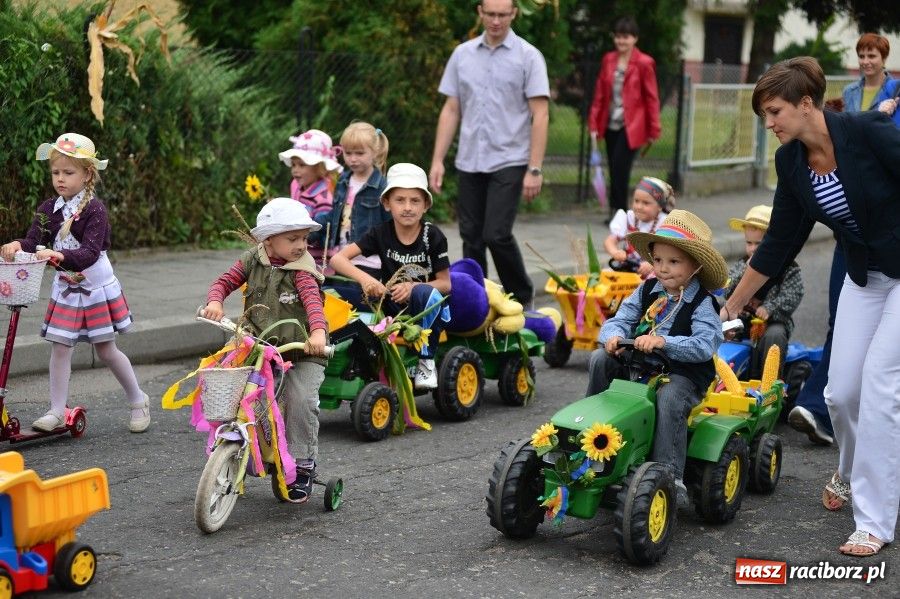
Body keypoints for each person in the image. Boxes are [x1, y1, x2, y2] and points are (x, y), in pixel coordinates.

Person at [723, 57, 900, 557]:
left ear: (806, 104)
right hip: (866, 279)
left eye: (775, 111)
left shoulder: (868, 132)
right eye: (764, 115)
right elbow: (779, 241)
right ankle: (850, 470)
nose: (770, 123)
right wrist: (733, 301)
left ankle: (874, 520)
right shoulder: (792, 162)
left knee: (882, 383)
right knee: (842, 394)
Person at [0, 133, 149, 433]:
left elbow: (89, 253)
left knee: (106, 349)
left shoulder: (95, 210)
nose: (60, 179)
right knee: (60, 347)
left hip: (95, 287)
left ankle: (138, 399)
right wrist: (18, 244)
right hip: (68, 288)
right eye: (56, 172)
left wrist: (59, 255)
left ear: (87, 174)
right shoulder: (47, 210)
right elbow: (33, 242)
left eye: (68, 173)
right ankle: (57, 409)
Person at [586, 210, 726, 508]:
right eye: (658, 260)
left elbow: (705, 344)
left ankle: (670, 475)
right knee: (600, 360)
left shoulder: (702, 303)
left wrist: (664, 341)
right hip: (640, 365)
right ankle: (593, 439)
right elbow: (620, 319)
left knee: (669, 396)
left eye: (674, 262)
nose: (663, 268)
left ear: (695, 265)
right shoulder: (648, 288)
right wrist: (612, 337)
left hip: (683, 374)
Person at [203, 198, 328, 504]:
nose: (301, 245)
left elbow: (313, 304)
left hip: (301, 350)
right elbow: (224, 282)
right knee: (236, 391)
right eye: (293, 238)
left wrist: (318, 333)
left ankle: (302, 463)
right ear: (269, 240)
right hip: (260, 347)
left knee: (300, 399)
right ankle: (236, 450)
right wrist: (215, 302)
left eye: (304, 238)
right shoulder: (252, 260)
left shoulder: (302, 271)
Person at [429, 0, 549, 308]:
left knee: (496, 233)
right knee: (471, 237)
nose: (496, 21)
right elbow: (451, 109)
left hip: (510, 158)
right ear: (480, 12)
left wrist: (534, 168)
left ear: (513, 14)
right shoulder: (462, 55)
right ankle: (478, 302)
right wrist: (438, 160)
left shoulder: (528, 56)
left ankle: (521, 297)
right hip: (470, 158)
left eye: (502, 15)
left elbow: (540, 113)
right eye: (490, 14)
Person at [330, 164, 451, 390]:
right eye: (400, 200)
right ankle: (334, 356)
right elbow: (337, 260)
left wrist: (414, 287)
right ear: (387, 203)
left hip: (425, 312)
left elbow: (445, 284)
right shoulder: (381, 232)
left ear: (425, 205)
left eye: (415, 201)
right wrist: (366, 280)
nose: (407, 207)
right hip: (391, 306)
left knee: (426, 292)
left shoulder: (432, 236)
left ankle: (426, 361)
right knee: (333, 291)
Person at [588, 16, 661, 224]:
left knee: (620, 167)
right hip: (610, 123)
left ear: (635, 39)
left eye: (626, 37)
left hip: (632, 126)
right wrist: (593, 122)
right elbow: (600, 94)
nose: (621, 41)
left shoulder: (645, 63)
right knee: (613, 167)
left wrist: (654, 129)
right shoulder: (608, 60)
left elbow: (651, 97)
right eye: (618, 37)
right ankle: (615, 212)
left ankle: (620, 215)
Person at [314, 122, 391, 303]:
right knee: (340, 306)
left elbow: (389, 226)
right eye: (348, 153)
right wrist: (311, 225)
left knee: (364, 308)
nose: (353, 159)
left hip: (369, 262)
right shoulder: (343, 181)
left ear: (375, 151)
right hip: (341, 258)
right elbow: (335, 216)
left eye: (360, 153)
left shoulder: (381, 187)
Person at [723, 205, 803, 379]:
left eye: (759, 244)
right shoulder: (742, 264)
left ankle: (768, 381)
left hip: (771, 322)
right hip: (742, 320)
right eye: (749, 243)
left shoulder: (788, 269)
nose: (753, 249)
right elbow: (727, 287)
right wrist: (747, 269)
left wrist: (770, 308)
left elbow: (794, 294)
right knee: (716, 323)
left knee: (775, 336)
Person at [278, 129, 342, 265]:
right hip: (296, 251)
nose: (295, 169)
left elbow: (319, 230)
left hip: (316, 260)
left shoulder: (324, 197)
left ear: (319, 167)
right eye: (294, 164)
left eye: (302, 165)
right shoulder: (296, 185)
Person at [603, 176, 673, 277]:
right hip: (627, 268)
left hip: (654, 273)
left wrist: (653, 263)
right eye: (636, 201)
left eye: (646, 203)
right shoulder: (628, 218)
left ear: (660, 206)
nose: (639, 206)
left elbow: (670, 252)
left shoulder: (665, 223)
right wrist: (615, 252)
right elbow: (609, 241)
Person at [841, 33, 892, 113]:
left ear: (884, 58)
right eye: (861, 56)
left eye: (871, 56)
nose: (865, 62)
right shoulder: (849, 91)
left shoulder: (895, 90)